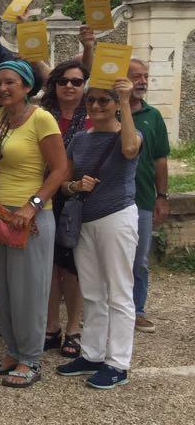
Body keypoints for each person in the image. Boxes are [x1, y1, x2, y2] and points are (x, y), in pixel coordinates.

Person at [0, 61, 68, 388]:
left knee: (29, 290)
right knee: (1, 287)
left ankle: (31, 358)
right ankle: (12, 349)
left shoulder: (42, 118)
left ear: (26, 86)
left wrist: (32, 205)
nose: (3, 88)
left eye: (10, 83)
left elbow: (61, 169)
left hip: (28, 216)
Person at [56, 78, 141, 389]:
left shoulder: (129, 134)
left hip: (116, 216)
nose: (95, 106)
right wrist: (76, 186)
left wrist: (125, 100)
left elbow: (131, 149)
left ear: (116, 105)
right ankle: (92, 353)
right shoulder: (79, 138)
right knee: (91, 290)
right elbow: (64, 182)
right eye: (91, 100)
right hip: (86, 220)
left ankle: (118, 362)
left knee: (119, 291)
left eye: (104, 101)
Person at [41, 59, 92, 358]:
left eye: (76, 81)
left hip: (80, 198)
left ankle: (73, 329)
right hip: (48, 194)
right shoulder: (44, 115)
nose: (69, 86)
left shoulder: (94, 115)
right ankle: (51, 327)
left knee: (72, 268)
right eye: (63, 81)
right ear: (54, 85)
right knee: (49, 266)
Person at [126, 59, 170, 334]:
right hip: (110, 199)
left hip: (142, 199)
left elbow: (160, 159)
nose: (142, 81)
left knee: (139, 259)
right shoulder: (109, 112)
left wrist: (162, 196)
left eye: (145, 76)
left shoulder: (153, 116)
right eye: (136, 76)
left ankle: (137, 309)